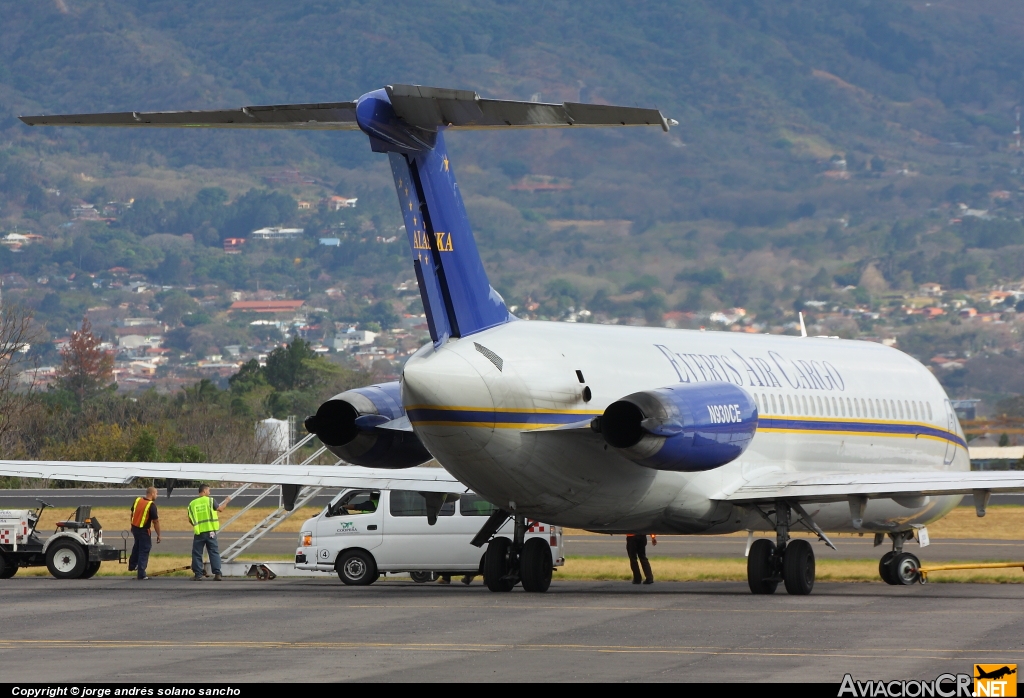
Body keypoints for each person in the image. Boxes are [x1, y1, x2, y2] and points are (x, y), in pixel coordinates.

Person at [187, 484, 231, 581]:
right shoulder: (210, 500)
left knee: (197, 553)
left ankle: (198, 574)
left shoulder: (192, 504)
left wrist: (196, 525)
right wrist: (227, 501)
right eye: (208, 490)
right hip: (211, 531)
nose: (209, 492)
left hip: (199, 532)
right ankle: (217, 573)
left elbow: (190, 519)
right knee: (213, 552)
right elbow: (220, 509)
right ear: (204, 491)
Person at [128, 486, 162, 580]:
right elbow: (155, 522)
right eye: (156, 493)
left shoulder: (137, 500)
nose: (157, 495)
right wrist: (159, 534)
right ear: (152, 494)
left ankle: (132, 565)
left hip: (135, 528)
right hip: (143, 531)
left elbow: (132, 513)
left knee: (137, 546)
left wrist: (132, 525)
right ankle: (141, 573)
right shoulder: (151, 505)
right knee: (144, 549)